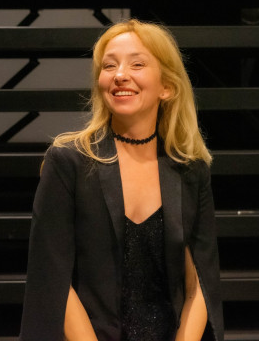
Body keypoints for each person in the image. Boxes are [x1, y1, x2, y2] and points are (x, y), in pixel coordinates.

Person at [19, 19, 223, 341]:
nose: (119, 75)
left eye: (137, 64)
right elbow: (53, 279)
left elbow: (199, 283)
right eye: (109, 66)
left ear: (167, 87)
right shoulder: (68, 162)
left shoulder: (190, 169)